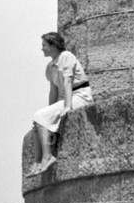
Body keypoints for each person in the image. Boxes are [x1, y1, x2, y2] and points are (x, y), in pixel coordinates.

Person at [27, 32, 93, 176]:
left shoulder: (66, 57)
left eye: (44, 45)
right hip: (68, 98)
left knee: (39, 115)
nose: (42, 49)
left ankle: (48, 157)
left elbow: (68, 81)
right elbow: (53, 92)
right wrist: (49, 113)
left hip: (80, 96)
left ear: (53, 45)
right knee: (37, 121)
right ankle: (38, 161)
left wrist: (68, 107)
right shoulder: (50, 67)